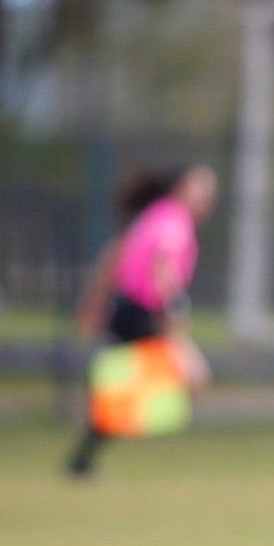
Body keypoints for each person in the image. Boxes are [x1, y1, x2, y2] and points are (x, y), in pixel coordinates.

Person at [65, 164, 217, 477]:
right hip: (144, 312)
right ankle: (144, 429)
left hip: (128, 310)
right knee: (194, 374)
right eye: (199, 190)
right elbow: (161, 264)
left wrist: (94, 300)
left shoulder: (155, 216)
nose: (205, 199)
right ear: (179, 190)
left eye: (209, 193)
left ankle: (83, 459)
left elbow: (115, 253)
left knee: (123, 392)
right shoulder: (173, 221)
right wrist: (173, 311)